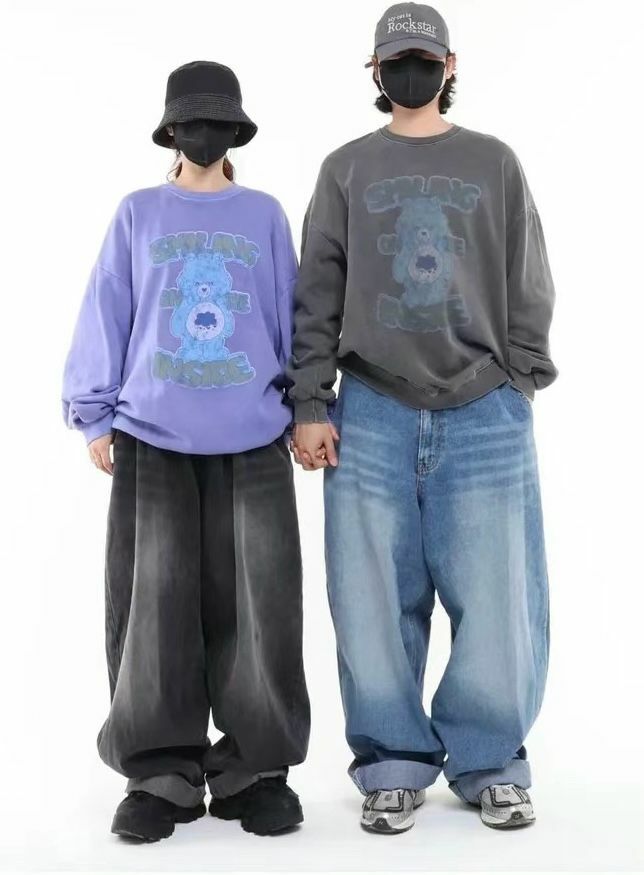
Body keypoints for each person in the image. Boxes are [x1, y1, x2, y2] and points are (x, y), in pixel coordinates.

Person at [289, 2, 556, 833]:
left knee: (498, 594)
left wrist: (520, 379)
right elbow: (316, 292)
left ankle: (491, 762)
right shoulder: (344, 168)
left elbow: (527, 275)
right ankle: (392, 764)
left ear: (450, 65)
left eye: (424, 58)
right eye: (396, 60)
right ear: (375, 71)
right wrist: (310, 401)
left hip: (484, 405)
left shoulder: (494, 162)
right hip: (370, 407)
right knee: (369, 598)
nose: (412, 71)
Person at [62, 60, 310, 842]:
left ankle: (253, 769)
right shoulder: (138, 213)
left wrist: (307, 406)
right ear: (171, 130)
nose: (205, 135)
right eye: (193, 122)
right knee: (153, 605)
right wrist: (94, 413)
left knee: (260, 606)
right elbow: (108, 306)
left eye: (218, 123)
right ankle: (160, 772)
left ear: (237, 131)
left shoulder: (264, 215)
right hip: (153, 435)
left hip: (254, 435)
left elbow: (290, 313)